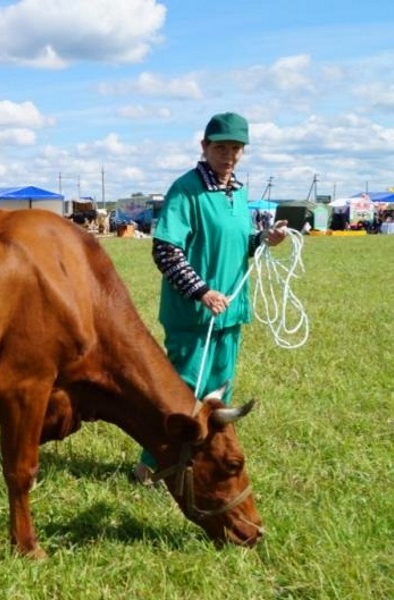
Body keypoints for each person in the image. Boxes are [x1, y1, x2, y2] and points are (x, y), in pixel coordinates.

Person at [133, 112, 287, 484]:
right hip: (193, 314)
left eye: (236, 148)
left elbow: (236, 245)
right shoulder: (186, 190)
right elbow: (166, 250)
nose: (229, 155)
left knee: (218, 392)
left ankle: (205, 456)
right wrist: (201, 291)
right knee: (182, 392)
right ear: (205, 147)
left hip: (230, 312)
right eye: (221, 147)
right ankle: (148, 467)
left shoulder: (238, 191)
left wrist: (264, 241)